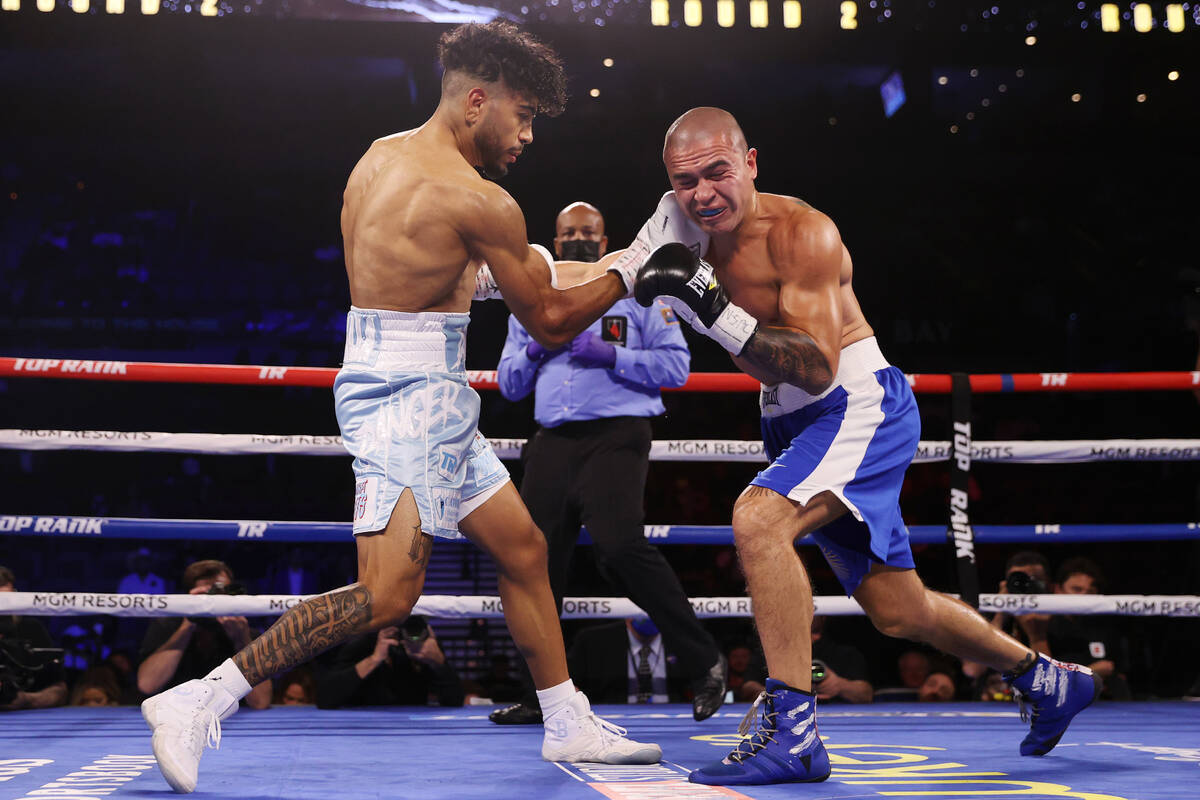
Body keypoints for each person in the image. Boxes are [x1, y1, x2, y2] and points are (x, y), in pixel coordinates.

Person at [141, 21, 658, 794]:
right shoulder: (483, 199)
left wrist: (488, 278)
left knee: (521, 549)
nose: (526, 136)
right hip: (411, 399)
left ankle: (565, 718)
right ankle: (198, 697)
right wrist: (635, 269)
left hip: (403, 377)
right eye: (521, 116)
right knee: (389, 593)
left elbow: (402, 276)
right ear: (477, 100)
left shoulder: (378, 158)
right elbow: (548, 321)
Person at [625, 107, 1100, 785]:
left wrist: (712, 310)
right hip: (791, 418)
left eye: (717, 172)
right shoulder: (679, 221)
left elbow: (815, 365)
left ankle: (792, 730)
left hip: (851, 403)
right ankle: (1048, 680)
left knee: (758, 520)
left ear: (751, 162)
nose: (703, 193)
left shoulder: (803, 232)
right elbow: (619, 271)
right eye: (685, 180)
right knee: (898, 610)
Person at [489, 200, 726, 726]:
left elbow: (676, 366)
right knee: (534, 564)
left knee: (619, 548)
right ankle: (543, 696)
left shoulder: (637, 291)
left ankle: (704, 659)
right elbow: (507, 384)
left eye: (587, 232)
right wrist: (535, 349)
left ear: (604, 240)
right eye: (568, 232)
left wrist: (610, 355)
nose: (577, 239)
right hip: (551, 440)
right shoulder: (530, 297)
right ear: (554, 240)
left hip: (618, 435)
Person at [136, 560, 273, 710]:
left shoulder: (243, 630)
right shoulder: (167, 626)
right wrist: (189, 621)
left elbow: (261, 701)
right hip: (175, 716)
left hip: (232, 721)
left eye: (220, 592)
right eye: (205, 594)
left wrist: (242, 641)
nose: (213, 601)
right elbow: (147, 685)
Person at [315, 616, 464, 708]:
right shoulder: (364, 645)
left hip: (415, 731)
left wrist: (438, 663)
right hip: (363, 731)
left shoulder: (426, 647)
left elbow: (455, 701)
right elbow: (325, 698)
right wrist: (374, 659)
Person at [564, 617, 694, 705]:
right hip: (611, 722)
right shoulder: (593, 641)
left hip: (674, 720)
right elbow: (567, 682)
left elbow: (702, 684)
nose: (647, 611)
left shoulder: (686, 640)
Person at [0, 566, 68, 712]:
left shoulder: (30, 628)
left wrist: (28, 700)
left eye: (8, 600)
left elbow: (60, 689)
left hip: (28, 721)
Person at [809, 615, 872, 704]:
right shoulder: (784, 654)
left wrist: (840, 685)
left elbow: (867, 695)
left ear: (823, 617)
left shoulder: (844, 653)